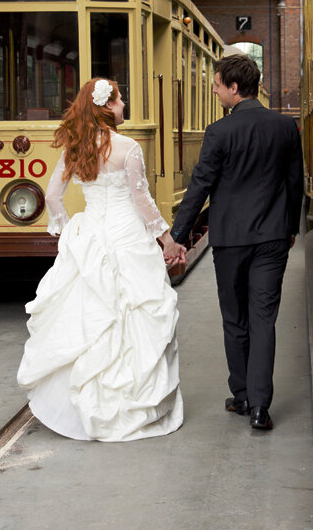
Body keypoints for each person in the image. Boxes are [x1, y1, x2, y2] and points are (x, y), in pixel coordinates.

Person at [17, 78, 187, 442]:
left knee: (89, 315)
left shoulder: (74, 148)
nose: (124, 106)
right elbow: (142, 202)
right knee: (136, 311)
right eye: (121, 100)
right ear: (107, 106)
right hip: (127, 235)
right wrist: (168, 241)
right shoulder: (128, 148)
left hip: (91, 232)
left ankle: (80, 402)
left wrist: (67, 233)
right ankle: (133, 402)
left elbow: (53, 197)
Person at [165, 54, 303, 431]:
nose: (214, 89)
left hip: (229, 241)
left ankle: (241, 395)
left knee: (235, 318)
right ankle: (261, 407)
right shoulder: (285, 128)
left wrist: (177, 238)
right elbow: (295, 185)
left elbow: (200, 188)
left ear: (234, 88)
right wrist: (290, 228)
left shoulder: (219, 132)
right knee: (264, 319)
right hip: (273, 237)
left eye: (217, 83)